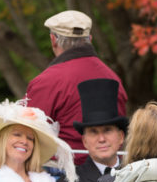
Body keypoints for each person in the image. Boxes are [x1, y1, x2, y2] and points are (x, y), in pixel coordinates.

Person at [25, 10, 128, 151]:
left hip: (62, 169)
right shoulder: (113, 77)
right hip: (112, 168)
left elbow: (28, 134)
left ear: (53, 40)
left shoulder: (46, 81)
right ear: (90, 39)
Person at [49, 78, 128, 182]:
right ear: (84, 141)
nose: (101, 139)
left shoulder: (136, 173)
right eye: (93, 132)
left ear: (121, 137)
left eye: (107, 130)